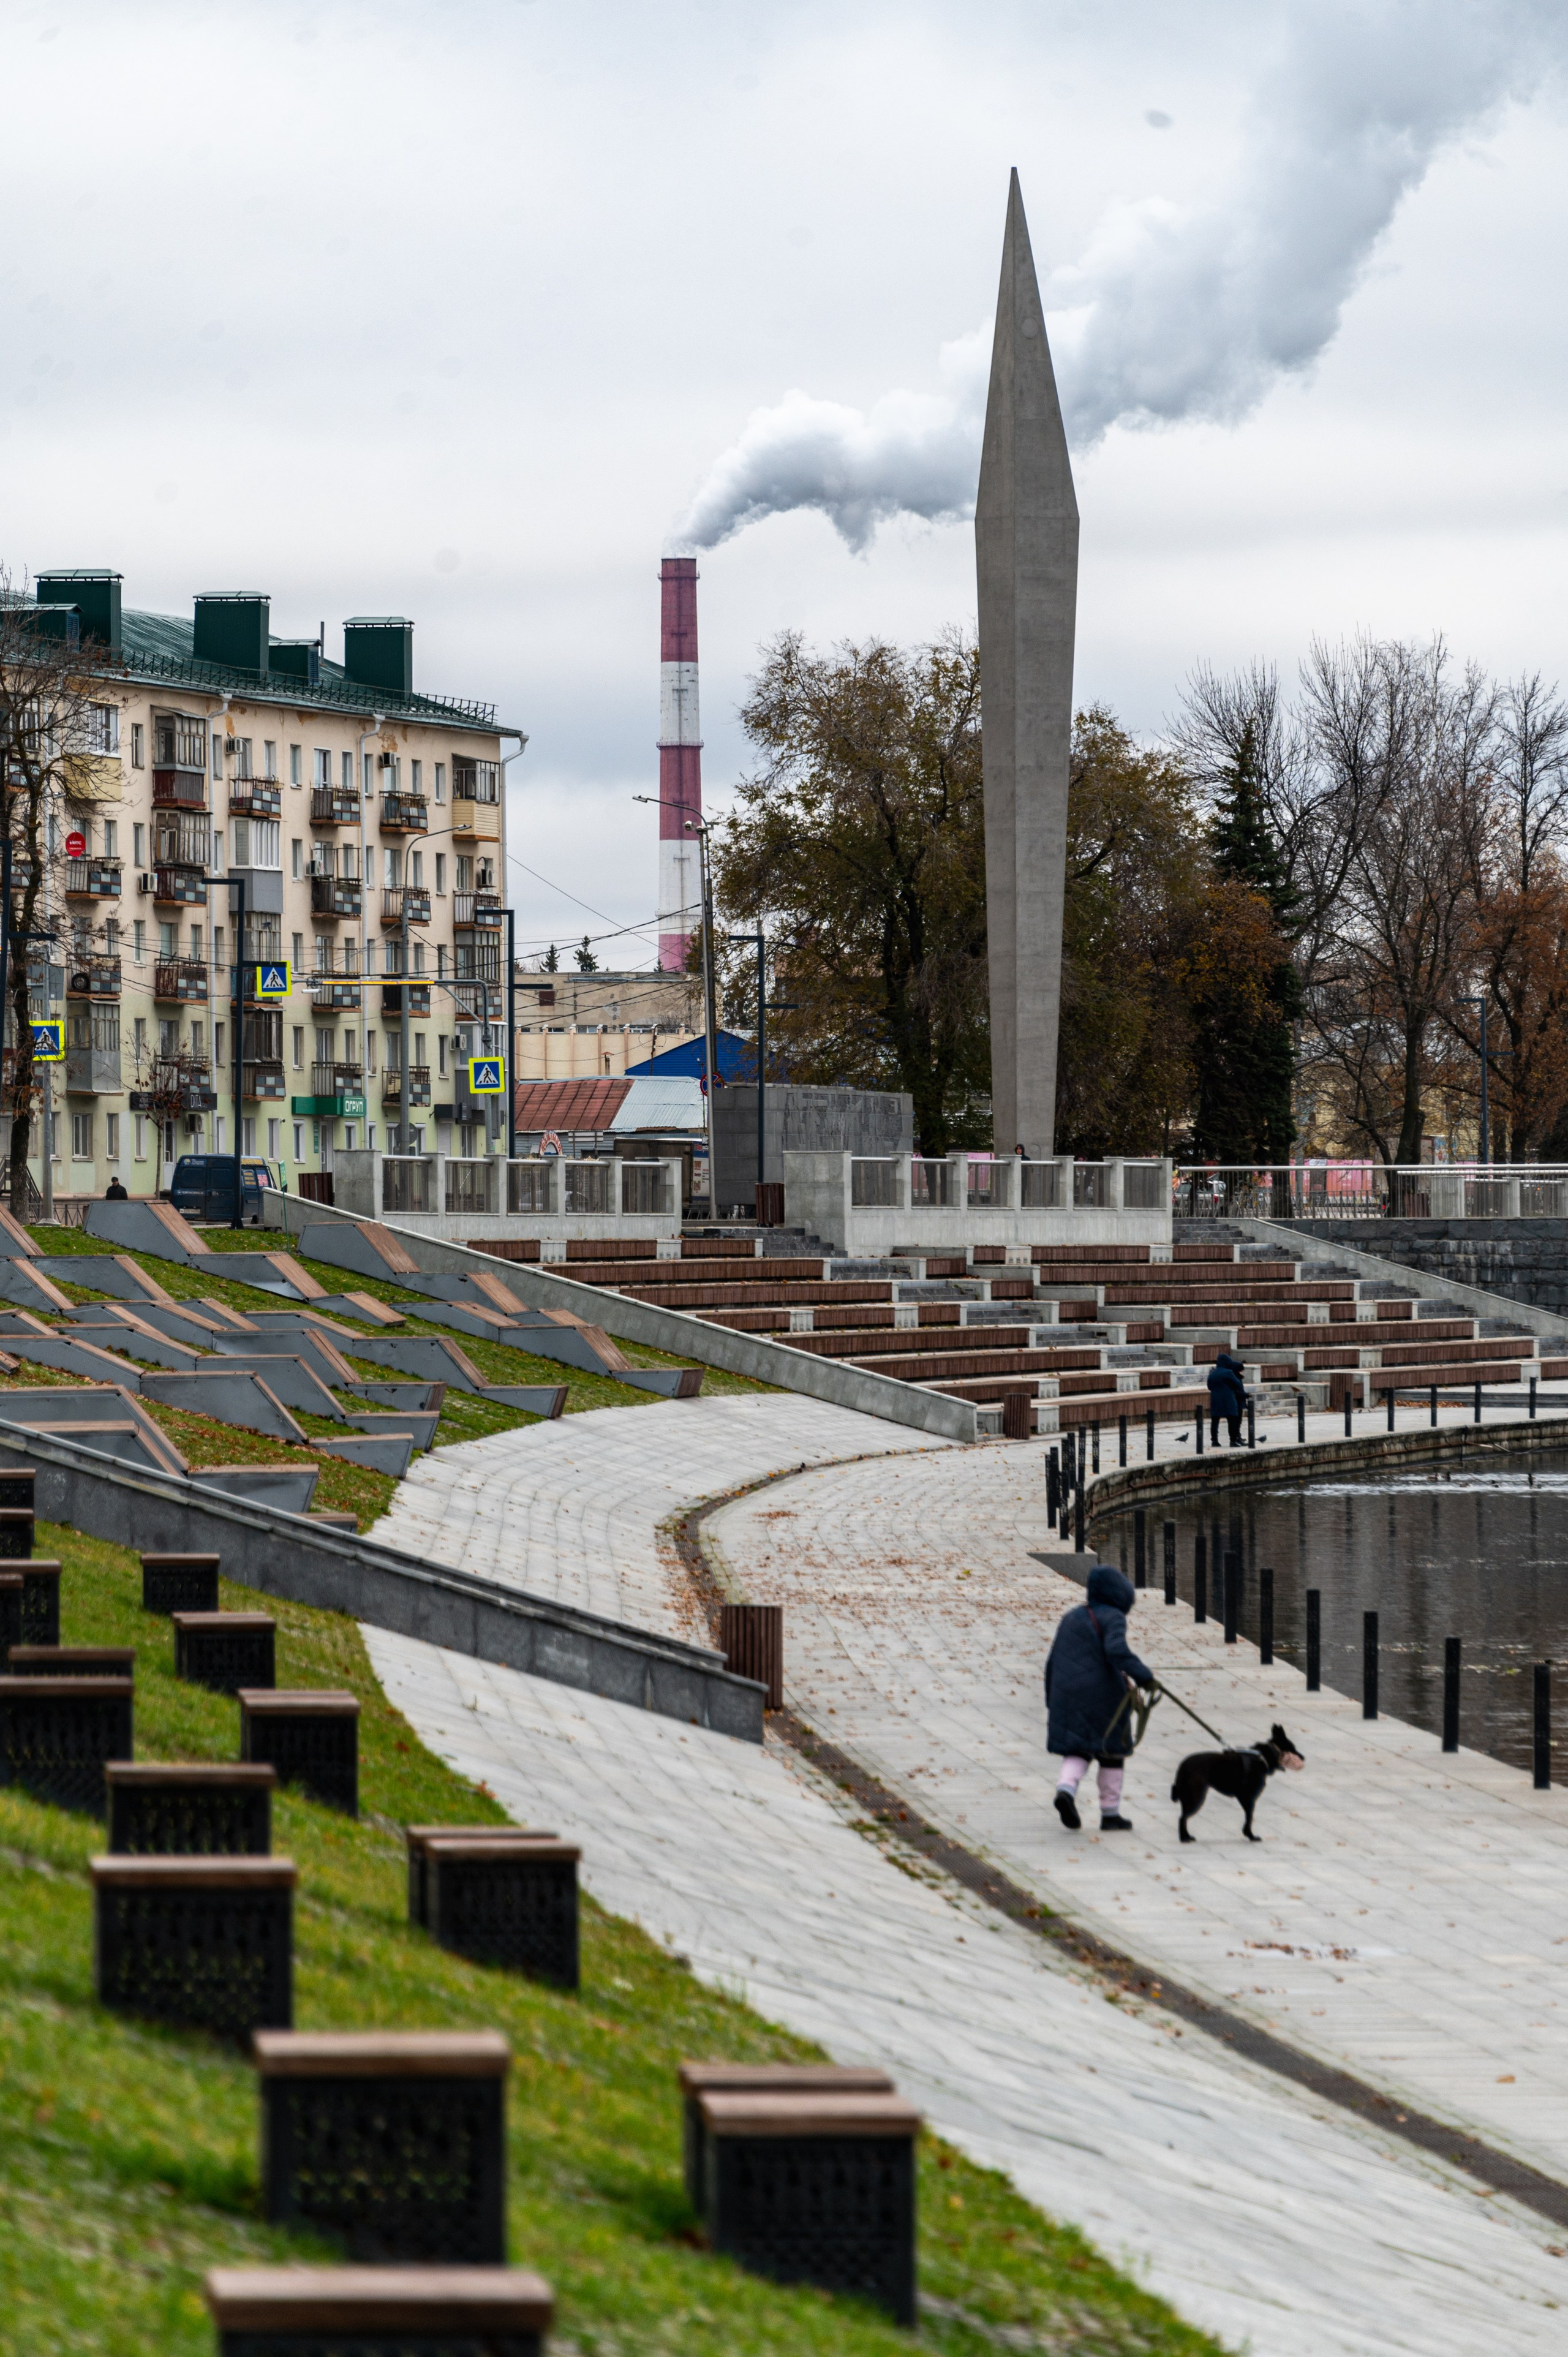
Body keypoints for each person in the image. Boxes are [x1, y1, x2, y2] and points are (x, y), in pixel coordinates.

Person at [1044, 1563, 1155, 1833]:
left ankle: (1066, 1790)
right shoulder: (1113, 1617)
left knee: (1079, 1748)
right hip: (1103, 1696)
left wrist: (1052, 1698)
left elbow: (1052, 1660)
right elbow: (1116, 1650)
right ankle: (1110, 1814)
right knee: (1112, 1751)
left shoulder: (1072, 1617)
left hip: (1066, 1694)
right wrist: (1144, 1677)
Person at [1207, 1350, 1247, 1447]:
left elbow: (1209, 1386)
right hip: (1228, 1400)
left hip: (1215, 1400)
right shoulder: (1228, 1372)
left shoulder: (1213, 1373)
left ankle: (1214, 1441)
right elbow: (1237, 1384)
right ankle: (1233, 1441)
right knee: (1232, 1420)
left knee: (1215, 1421)